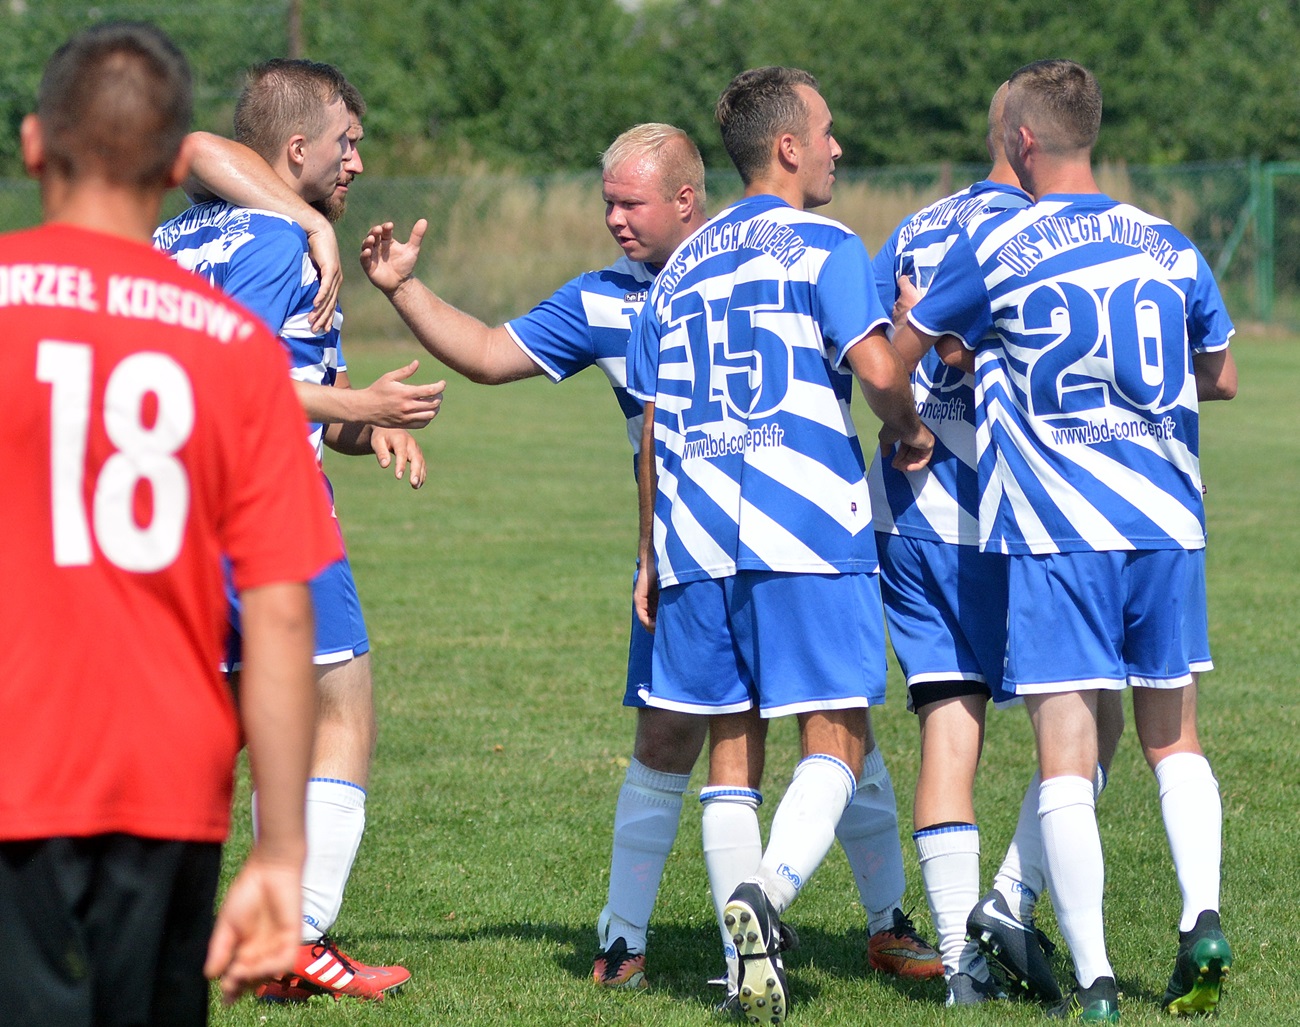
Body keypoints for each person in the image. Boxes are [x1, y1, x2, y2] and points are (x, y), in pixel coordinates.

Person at [359, 122, 940, 996]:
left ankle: (879, 919)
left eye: (630, 204)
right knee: (690, 734)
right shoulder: (608, 299)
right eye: (606, 205)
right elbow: (485, 353)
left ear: (685, 199)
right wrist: (404, 292)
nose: (614, 221)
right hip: (689, 546)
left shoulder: (749, 265)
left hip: (722, 539)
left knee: (832, 728)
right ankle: (633, 938)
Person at [0, 22, 343, 1025]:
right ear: (170, 166)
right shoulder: (236, 348)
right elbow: (281, 614)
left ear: (33, 145)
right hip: (168, 779)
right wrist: (279, 851)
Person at [893, 58, 1236, 1021]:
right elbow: (1221, 374)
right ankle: (1199, 915)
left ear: (1023, 142)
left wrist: (947, 337)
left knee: (1065, 753)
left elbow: (921, 349)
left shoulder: (1000, 247)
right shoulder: (1168, 243)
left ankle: (1093, 980)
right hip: (1167, 523)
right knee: (1176, 736)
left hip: (1056, 528)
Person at [626, 67, 934, 1025]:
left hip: (692, 531)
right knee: (836, 732)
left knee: (732, 744)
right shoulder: (827, 244)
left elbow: (649, 426)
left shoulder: (676, 269)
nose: (838, 148)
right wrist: (913, 396)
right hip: (802, 520)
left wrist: (647, 550)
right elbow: (880, 376)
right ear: (789, 148)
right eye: (829, 132)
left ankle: (742, 961)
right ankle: (767, 895)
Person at [154, 59, 443, 1002]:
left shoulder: (176, 233)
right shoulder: (284, 238)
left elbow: (286, 393)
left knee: (218, 728)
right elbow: (236, 388)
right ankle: (297, 931)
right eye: (347, 143)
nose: (358, 161)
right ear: (295, 149)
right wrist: (356, 399)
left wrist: (364, 427)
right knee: (341, 707)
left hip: (172, 517)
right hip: (264, 509)